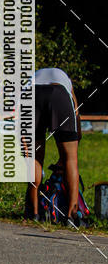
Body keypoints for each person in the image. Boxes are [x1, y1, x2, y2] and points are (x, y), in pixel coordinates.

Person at [25, 67, 81, 225]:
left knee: (34, 158)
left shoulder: (30, 81)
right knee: (71, 159)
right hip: (59, 95)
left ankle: (34, 213)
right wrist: (76, 141)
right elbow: (76, 112)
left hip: (32, 96)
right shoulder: (66, 82)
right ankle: (72, 215)